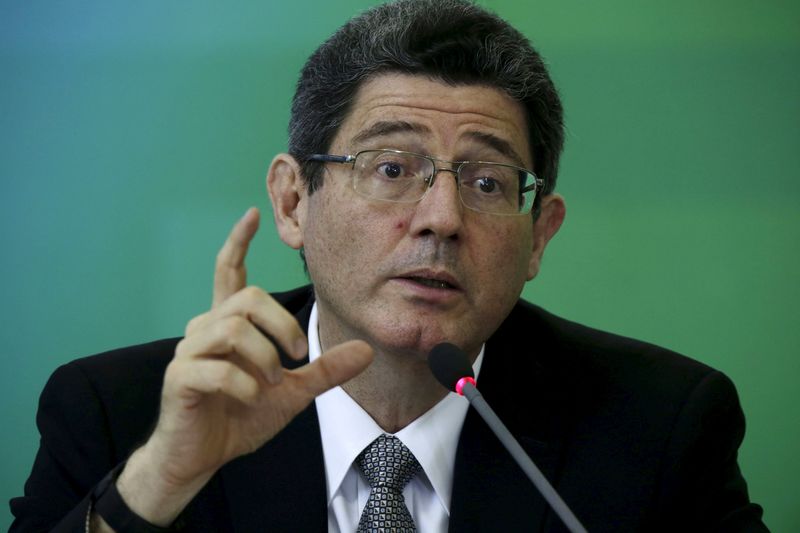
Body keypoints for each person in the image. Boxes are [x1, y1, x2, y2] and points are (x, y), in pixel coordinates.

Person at [10, 0, 767, 531]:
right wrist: (158, 482)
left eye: (486, 182)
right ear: (292, 200)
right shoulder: (119, 413)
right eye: (391, 168)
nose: (442, 218)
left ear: (538, 236)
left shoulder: (659, 427)